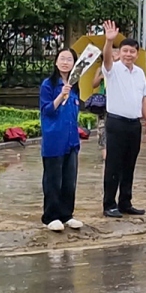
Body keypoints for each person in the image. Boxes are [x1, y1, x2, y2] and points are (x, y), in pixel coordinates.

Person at [99, 20, 146, 218]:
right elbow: (106, 59)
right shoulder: (112, 69)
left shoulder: (139, 73)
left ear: (137, 54)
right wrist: (108, 41)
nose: (129, 54)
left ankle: (125, 202)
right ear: (119, 52)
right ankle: (109, 204)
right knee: (113, 164)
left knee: (130, 164)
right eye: (125, 51)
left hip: (133, 124)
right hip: (116, 123)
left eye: (132, 51)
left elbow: (143, 98)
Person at [38, 48, 85, 231]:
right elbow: (47, 111)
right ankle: (51, 216)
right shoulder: (48, 84)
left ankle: (67, 214)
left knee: (69, 179)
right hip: (54, 140)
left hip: (71, 140)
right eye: (62, 59)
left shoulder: (75, 86)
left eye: (69, 59)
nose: (65, 62)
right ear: (56, 62)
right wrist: (61, 95)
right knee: (53, 179)